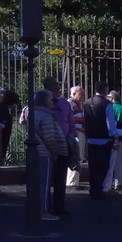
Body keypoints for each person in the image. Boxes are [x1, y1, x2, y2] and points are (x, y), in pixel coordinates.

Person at [83, 81, 122, 200]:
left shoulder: (87, 102)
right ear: (105, 90)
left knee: (93, 166)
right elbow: (110, 123)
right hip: (104, 139)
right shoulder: (106, 104)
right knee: (102, 166)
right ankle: (99, 190)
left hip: (91, 138)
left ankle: (93, 189)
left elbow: (85, 119)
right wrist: (115, 136)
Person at [33, 89, 68, 220]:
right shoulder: (46, 116)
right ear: (47, 102)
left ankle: (36, 208)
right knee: (44, 183)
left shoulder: (32, 113)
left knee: (37, 182)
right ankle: (43, 211)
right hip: (45, 152)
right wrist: (55, 152)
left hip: (36, 152)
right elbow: (49, 137)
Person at [103, 90, 122, 192]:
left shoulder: (108, 108)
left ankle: (107, 183)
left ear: (112, 98)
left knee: (109, 161)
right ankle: (118, 183)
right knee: (120, 162)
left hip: (111, 138)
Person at [65, 85, 85, 189]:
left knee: (77, 157)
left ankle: (73, 182)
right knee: (76, 157)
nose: (82, 96)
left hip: (78, 132)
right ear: (73, 94)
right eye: (80, 94)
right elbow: (69, 120)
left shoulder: (75, 104)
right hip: (76, 133)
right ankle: (72, 183)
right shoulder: (71, 104)